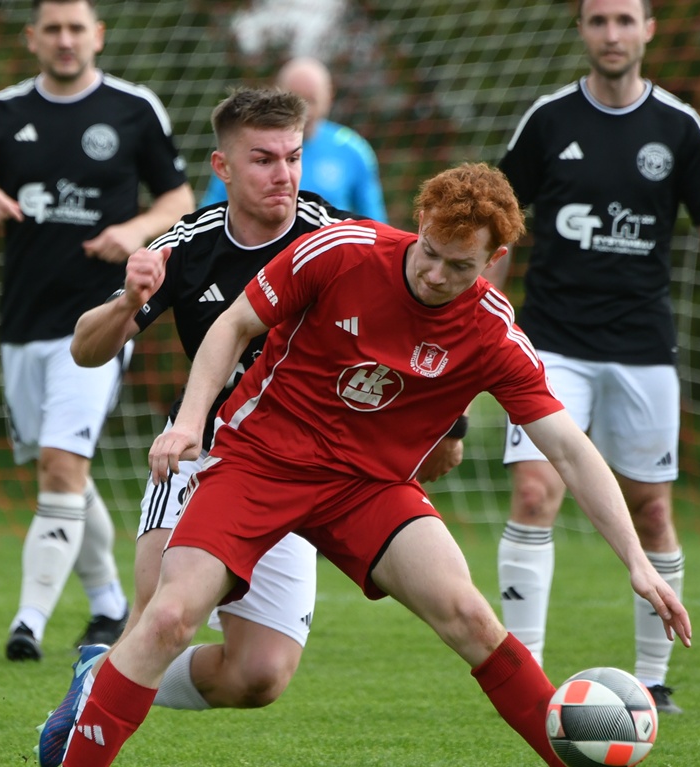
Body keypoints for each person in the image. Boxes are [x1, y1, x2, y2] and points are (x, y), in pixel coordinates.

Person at [59, 162, 691, 767]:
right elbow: (233, 324)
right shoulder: (340, 251)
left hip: (368, 488)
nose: (437, 275)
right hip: (261, 461)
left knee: (470, 617)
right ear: (418, 224)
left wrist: (637, 562)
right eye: (430, 253)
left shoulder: (495, 335)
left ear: (494, 261)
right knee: (167, 618)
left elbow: (571, 451)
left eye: (460, 266)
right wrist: (192, 423)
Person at [34, 86, 463, 767]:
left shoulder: (339, 235)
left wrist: (452, 421)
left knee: (259, 676)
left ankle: (101, 672)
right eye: (262, 160)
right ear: (223, 167)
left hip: (298, 465)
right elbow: (85, 349)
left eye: (293, 157)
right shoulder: (189, 244)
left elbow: (430, 298)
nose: (283, 175)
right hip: (202, 455)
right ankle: (94, 729)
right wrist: (126, 301)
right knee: (161, 621)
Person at [488, 0, 700, 713]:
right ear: (582, 30)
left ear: (648, 31)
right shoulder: (548, 121)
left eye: (624, 20)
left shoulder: (678, 126)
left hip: (643, 347)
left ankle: (653, 677)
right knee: (534, 492)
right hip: (549, 344)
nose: (612, 34)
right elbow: (499, 226)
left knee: (651, 510)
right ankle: (528, 675)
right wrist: (478, 318)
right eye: (598, 20)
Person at [0, 0, 194, 662]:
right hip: (22, 322)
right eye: (51, 28)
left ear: (98, 36)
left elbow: (181, 199)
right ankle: (109, 602)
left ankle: (28, 621)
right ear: (32, 38)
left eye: (76, 28)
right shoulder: (2, 113)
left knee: (60, 465)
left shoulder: (134, 109)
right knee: (63, 472)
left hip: (101, 319)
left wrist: (136, 231)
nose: (64, 40)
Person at [198, 57, 389, 222]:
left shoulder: (353, 150)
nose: (303, 113)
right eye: (296, 101)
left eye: (311, 100)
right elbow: (210, 212)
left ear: (329, 96)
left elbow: (375, 223)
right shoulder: (246, 148)